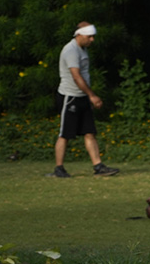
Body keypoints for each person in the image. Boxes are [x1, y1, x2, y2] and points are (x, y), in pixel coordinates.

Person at [49, 21, 119, 178]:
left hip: (82, 97)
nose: (92, 40)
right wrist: (92, 95)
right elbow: (76, 76)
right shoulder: (71, 50)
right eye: (90, 37)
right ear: (80, 35)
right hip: (70, 97)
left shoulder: (83, 49)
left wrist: (87, 96)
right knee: (65, 134)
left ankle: (98, 166)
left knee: (89, 132)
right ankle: (59, 168)